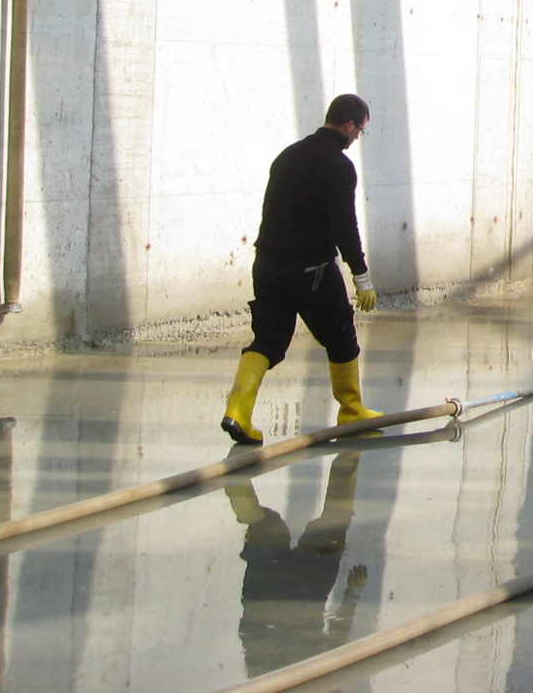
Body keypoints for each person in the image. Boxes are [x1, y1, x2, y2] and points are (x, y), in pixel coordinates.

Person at [220, 94, 382, 444]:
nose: (357, 138)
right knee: (341, 337)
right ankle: (351, 410)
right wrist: (361, 276)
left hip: (267, 264)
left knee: (268, 340)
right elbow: (344, 227)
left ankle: (237, 411)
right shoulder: (339, 166)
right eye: (360, 131)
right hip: (312, 270)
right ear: (350, 125)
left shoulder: (288, 156)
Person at [227, 451, 370, 677]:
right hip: (265, 593)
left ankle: (350, 452)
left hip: (307, 590)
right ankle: (238, 489)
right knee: (265, 525)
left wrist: (353, 593)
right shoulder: (261, 674)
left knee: (335, 520)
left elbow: (338, 640)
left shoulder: (313, 680)